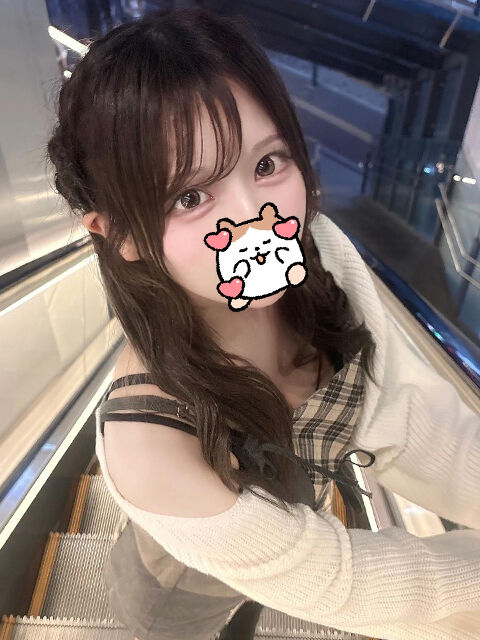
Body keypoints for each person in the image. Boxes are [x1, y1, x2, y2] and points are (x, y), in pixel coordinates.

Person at [45, 7, 480, 640]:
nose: (255, 217)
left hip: (283, 541)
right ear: (119, 234)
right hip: (174, 596)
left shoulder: (320, 253)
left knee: (252, 607)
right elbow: (344, 582)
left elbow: (411, 415)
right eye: (190, 197)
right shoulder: (149, 446)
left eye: (268, 164)